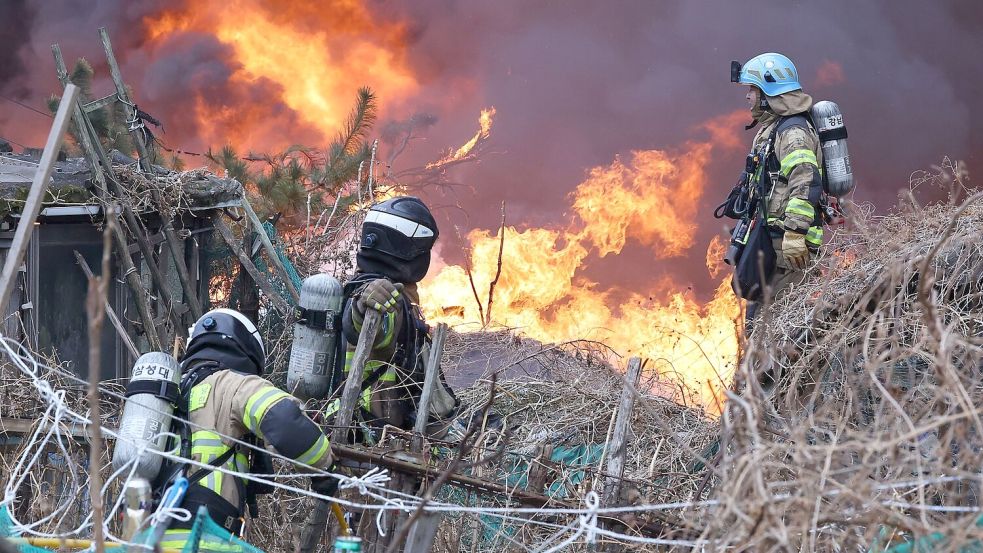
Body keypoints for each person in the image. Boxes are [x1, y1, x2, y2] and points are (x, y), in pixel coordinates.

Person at [158, 308, 337, 549]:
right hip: (203, 542)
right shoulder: (232, 384)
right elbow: (284, 420)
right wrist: (325, 467)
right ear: (248, 351)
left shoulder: (169, 391)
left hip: (148, 540)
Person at [331, 196, 458, 441]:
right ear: (411, 250)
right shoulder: (385, 300)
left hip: (357, 429)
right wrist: (365, 305)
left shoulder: (355, 286)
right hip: (373, 437)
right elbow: (364, 325)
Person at [733, 53, 825, 327]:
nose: (748, 96)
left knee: (773, 327)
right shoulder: (773, 129)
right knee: (758, 320)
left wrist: (795, 233)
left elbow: (805, 179)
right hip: (772, 242)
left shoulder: (792, 133)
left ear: (768, 93)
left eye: (752, 89)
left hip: (788, 248)